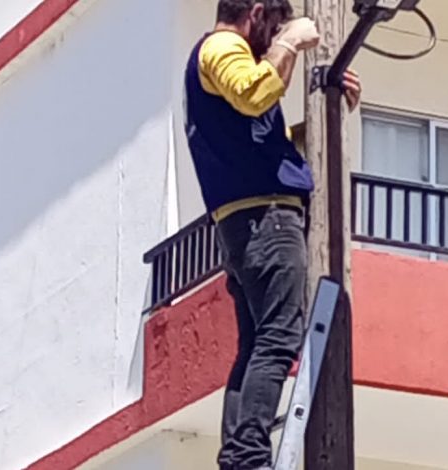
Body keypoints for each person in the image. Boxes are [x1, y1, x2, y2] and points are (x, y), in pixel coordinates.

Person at [183, 0, 361, 468]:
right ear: (256, 12)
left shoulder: (223, 64)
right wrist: (290, 41)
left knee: (258, 343)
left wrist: (329, 106)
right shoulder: (222, 47)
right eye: (272, 27)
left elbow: (267, 140)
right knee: (279, 337)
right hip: (266, 220)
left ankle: (239, 454)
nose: (273, 39)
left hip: (247, 222)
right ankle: (247, 453)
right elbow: (254, 94)